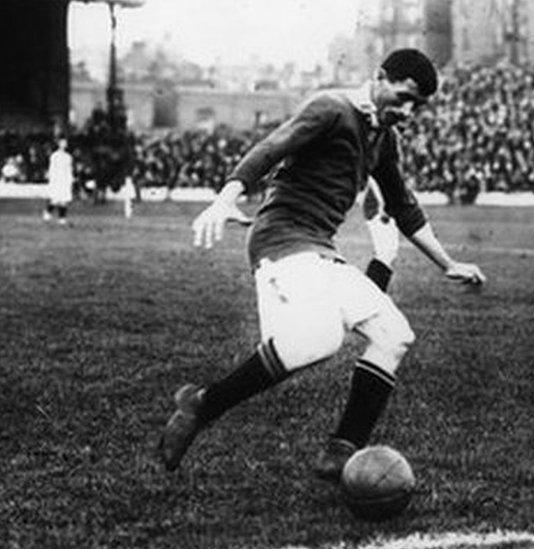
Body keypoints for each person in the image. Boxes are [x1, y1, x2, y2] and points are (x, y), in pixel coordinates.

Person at [157, 49, 486, 481]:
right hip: (281, 237)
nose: (406, 112)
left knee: (394, 334)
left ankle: (341, 450)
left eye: (416, 106)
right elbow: (271, 148)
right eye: (403, 97)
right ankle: (202, 404)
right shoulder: (331, 108)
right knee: (319, 339)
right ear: (379, 77)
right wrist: (225, 197)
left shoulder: (384, 138)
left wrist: (447, 263)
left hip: (319, 248)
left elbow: (404, 206)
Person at [42, 137, 74, 226]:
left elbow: (69, 169)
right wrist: (51, 178)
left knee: (64, 200)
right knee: (55, 199)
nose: (64, 145)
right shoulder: (54, 156)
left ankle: (62, 218)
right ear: (59, 144)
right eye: (62, 143)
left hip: (65, 179)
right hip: (57, 179)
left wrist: (70, 179)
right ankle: (47, 213)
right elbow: (52, 168)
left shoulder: (68, 157)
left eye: (65, 143)